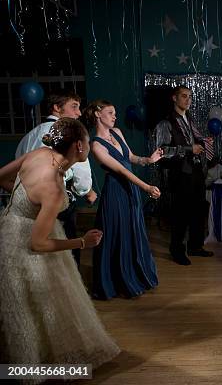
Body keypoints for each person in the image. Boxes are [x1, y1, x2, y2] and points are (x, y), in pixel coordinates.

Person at [0, 118, 119, 375]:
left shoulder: (40, 153)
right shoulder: (52, 187)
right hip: (26, 243)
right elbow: (38, 243)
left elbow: (2, 178)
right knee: (34, 305)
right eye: (87, 140)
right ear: (78, 145)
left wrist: (23, 201)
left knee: (41, 302)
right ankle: (33, 368)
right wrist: (83, 242)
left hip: (10, 228)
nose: (89, 144)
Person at [84, 100, 161, 300]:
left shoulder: (117, 132)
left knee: (133, 230)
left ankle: (137, 275)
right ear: (98, 114)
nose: (114, 116)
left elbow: (131, 158)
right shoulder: (95, 145)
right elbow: (120, 169)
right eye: (110, 112)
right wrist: (145, 187)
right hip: (116, 192)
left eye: (115, 112)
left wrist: (148, 160)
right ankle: (115, 281)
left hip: (131, 189)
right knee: (117, 233)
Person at [15, 90, 97, 267]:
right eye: (74, 107)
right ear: (57, 108)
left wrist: (24, 196)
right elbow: (81, 175)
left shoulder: (30, 135)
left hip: (27, 203)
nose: (79, 113)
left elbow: (17, 168)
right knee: (65, 256)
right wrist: (87, 191)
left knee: (35, 255)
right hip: (59, 201)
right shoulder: (72, 135)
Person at [155, 86, 214, 265]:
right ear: (174, 98)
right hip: (180, 174)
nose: (188, 100)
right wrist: (190, 149)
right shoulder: (165, 123)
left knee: (198, 210)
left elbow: (193, 141)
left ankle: (195, 246)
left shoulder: (189, 119)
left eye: (189, 97)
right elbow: (162, 152)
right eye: (183, 96)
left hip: (195, 172)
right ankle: (177, 250)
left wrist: (202, 143)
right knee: (181, 214)